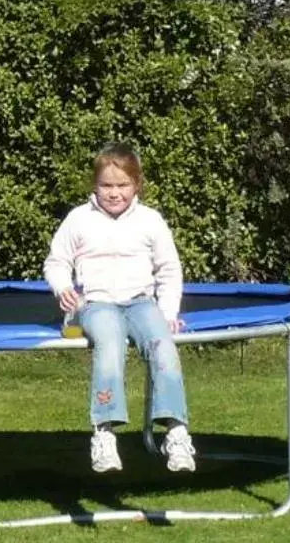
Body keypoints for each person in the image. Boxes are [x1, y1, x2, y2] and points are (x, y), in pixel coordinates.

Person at [43, 144, 196, 474]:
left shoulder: (150, 220)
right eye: (106, 186)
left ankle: (176, 432)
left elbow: (169, 269)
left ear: (136, 185)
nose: (114, 193)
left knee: (163, 349)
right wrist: (63, 288)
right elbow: (56, 262)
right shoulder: (79, 220)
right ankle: (105, 433)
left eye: (122, 186)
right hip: (97, 304)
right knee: (110, 345)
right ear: (95, 185)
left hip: (140, 302)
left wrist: (168, 313)